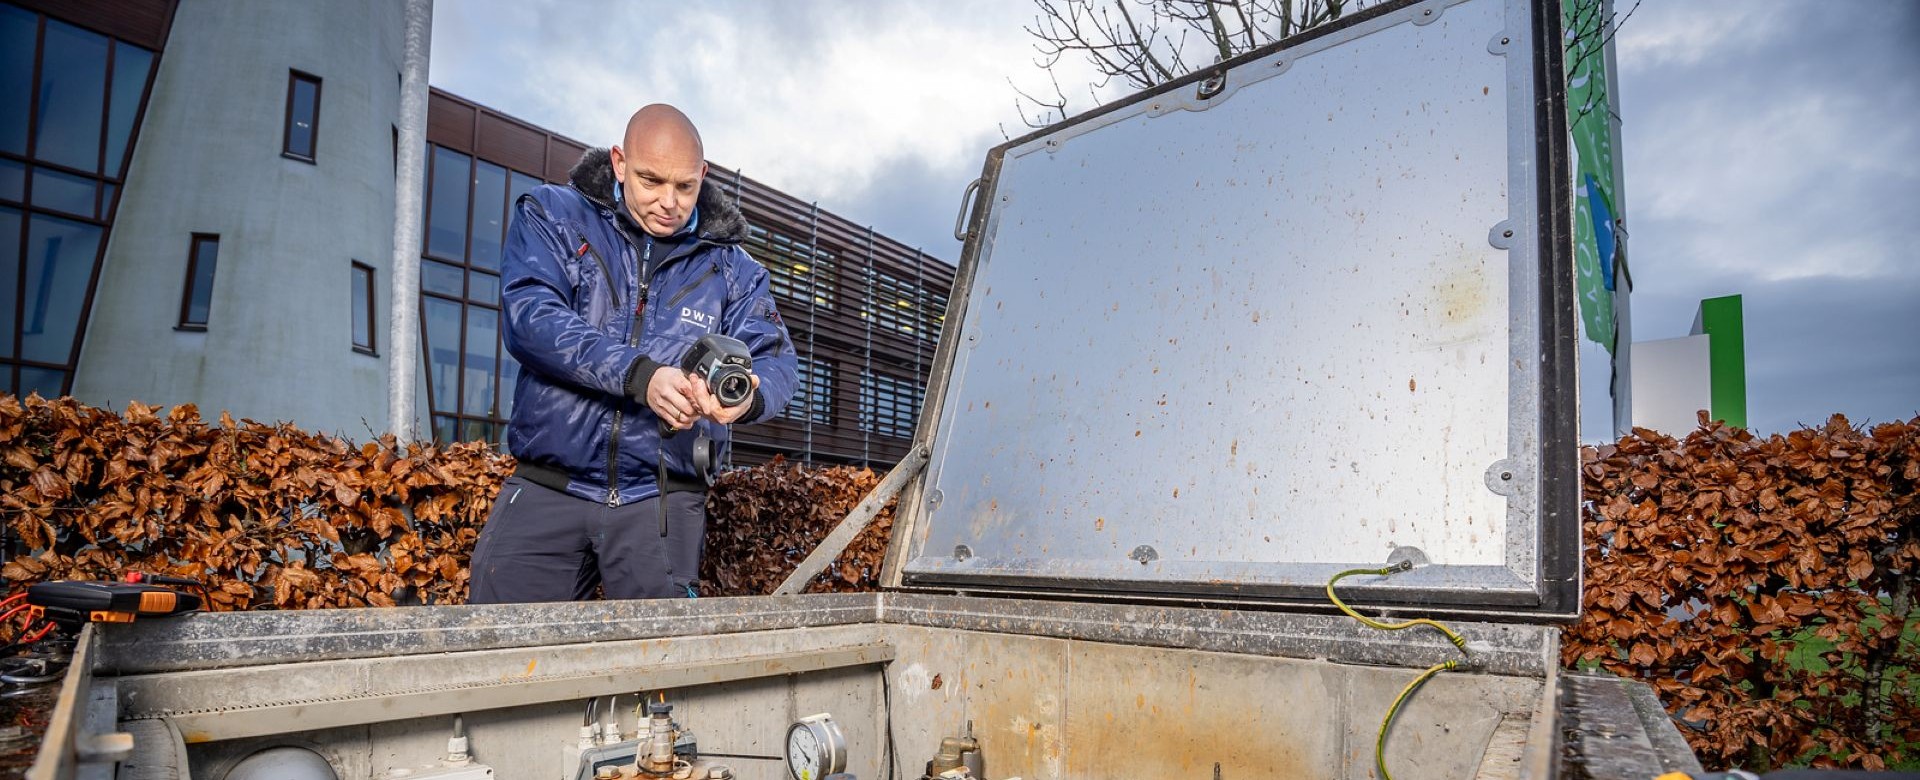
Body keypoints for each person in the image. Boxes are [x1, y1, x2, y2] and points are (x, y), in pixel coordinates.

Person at [466, 105, 796, 603]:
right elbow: (532, 318)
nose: (669, 202)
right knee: (501, 658)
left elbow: (775, 360)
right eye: (651, 180)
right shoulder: (552, 214)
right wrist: (642, 377)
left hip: (662, 501)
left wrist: (747, 397)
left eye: (685, 187)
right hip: (550, 486)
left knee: (656, 676)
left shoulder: (735, 270)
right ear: (619, 163)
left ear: (703, 176)